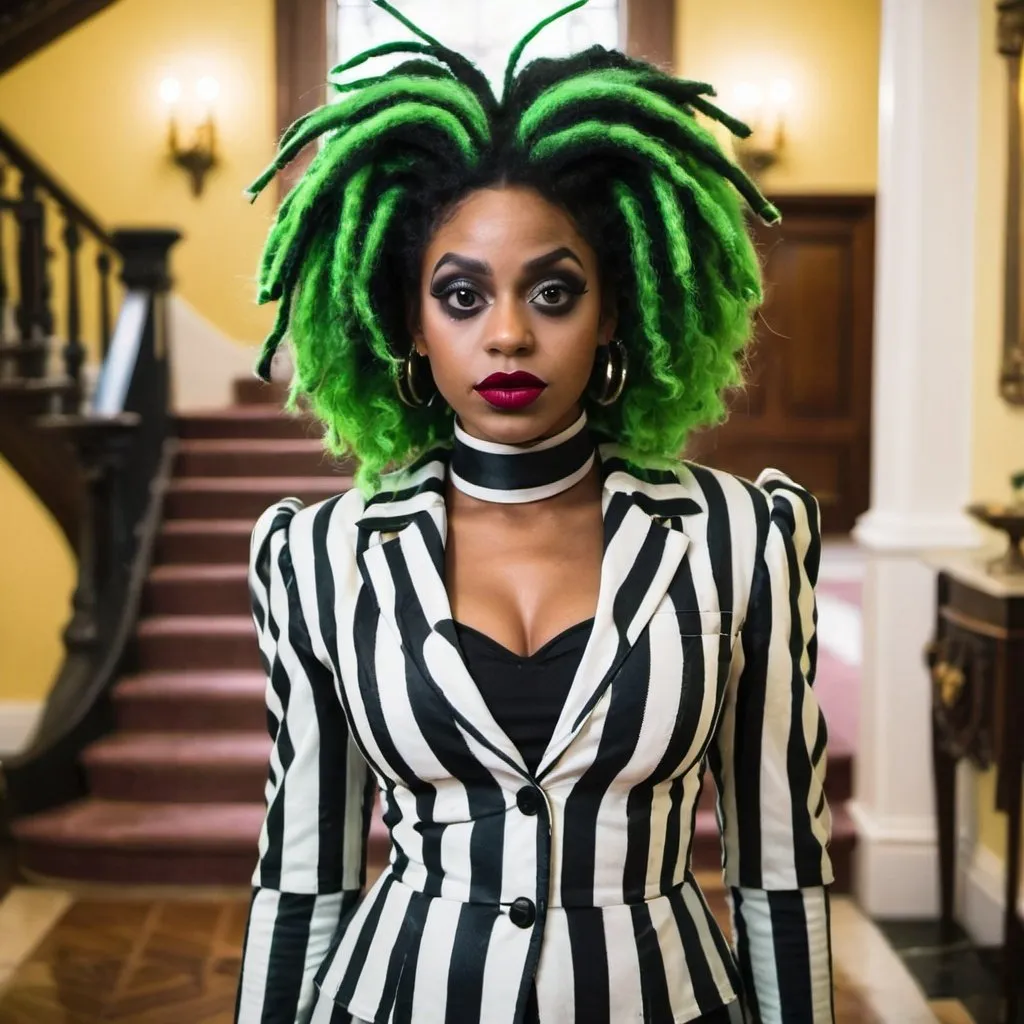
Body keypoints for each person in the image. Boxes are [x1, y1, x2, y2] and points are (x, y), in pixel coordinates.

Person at [234, 2, 834, 1022]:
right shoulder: (318, 557)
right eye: (462, 296)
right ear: (408, 325)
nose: (507, 334)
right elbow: (305, 873)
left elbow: (779, 865)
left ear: (614, 312)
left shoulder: (742, 540)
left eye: (552, 294)